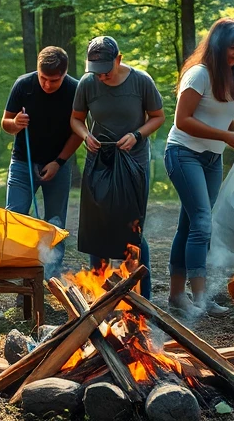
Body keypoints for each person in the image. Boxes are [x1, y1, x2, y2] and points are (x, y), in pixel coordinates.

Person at [165, 18, 234, 317]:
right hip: (183, 153)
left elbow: (218, 113)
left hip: (211, 158)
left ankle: (177, 295)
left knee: (188, 225)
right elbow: (183, 120)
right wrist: (226, 136)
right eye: (233, 48)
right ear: (217, 46)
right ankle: (200, 299)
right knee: (202, 223)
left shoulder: (231, 76)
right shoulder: (199, 74)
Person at [71, 36, 165, 299]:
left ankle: (140, 297)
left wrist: (137, 134)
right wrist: (84, 135)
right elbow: (76, 119)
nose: (101, 77)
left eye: (106, 71)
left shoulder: (140, 81)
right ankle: (100, 295)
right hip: (100, 162)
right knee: (98, 227)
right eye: (96, 72)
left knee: (131, 228)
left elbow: (158, 117)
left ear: (119, 59)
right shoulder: (87, 84)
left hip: (132, 164)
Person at [1, 46, 80, 279]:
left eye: (53, 80)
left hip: (58, 163)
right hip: (22, 161)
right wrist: (15, 123)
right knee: (15, 214)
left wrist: (59, 161)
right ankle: (19, 269)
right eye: (43, 78)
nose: (47, 85)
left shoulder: (74, 90)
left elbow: (78, 133)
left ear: (64, 74)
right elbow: (5, 123)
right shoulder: (23, 85)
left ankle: (51, 274)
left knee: (55, 221)